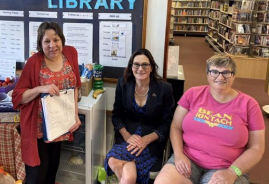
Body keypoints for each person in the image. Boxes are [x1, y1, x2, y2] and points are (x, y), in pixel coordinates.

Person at [155, 54, 265, 184]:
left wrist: (232, 172)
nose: (220, 77)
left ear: (233, 75)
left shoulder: (249, 104)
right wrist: (178, 155)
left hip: (228, 166)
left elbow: (257, 147)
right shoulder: (192, 94)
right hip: (188, 158)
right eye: (214, 72)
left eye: (226, 73)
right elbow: (176, 126)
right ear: (207, 74)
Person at [12, 21, 81, 184]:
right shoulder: (34, 62)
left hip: (59, 127)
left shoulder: (71, 53)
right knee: (37, 177)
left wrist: (74, 115)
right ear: (40, 44)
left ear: (62, 40)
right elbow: (18, 97)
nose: (52, 45)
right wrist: (40, 89)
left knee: (51, 172)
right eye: (46, 41)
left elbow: (75, 86)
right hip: (38, 129)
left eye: (55, 40)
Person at [105, 48, 175, 184]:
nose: (140, 68)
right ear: (131, 67)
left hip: (151, 142)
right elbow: (116, 116)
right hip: (127, 139)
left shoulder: (164, 88)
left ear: (151, 68)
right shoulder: (123, 84)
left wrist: (146, 140)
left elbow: (167, 123)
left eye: (145, 65)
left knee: (125, 173)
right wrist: (128, 136)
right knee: (120, 168)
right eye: (136, 64)